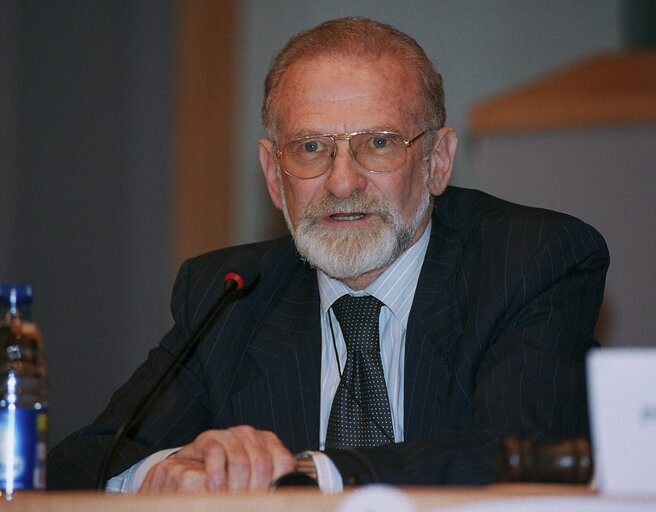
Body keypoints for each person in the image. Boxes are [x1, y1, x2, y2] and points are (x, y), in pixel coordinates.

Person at [47, 17, 609, 493]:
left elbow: (527, 454)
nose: (342, 183)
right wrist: (165, 471)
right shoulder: (231, 293)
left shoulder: (531, 260)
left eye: (379, 143)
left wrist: (307, 473)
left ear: (438, 160)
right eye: (312, 148)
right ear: (273, 174)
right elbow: (82, 462)